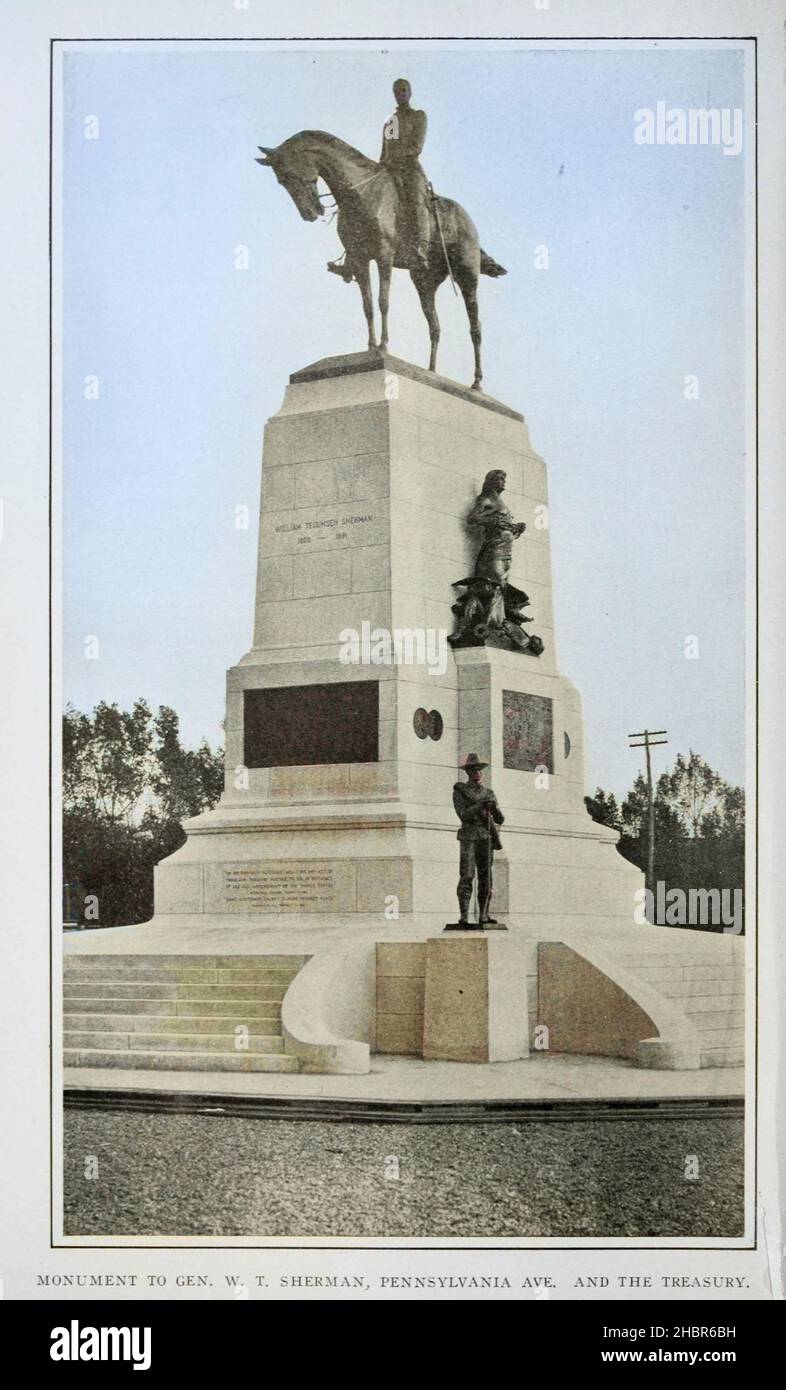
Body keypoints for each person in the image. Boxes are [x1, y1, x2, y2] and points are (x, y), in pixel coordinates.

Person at [380, 78, 431, 269]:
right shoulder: (391, 121)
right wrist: (381, 165)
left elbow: (416, 147)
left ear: (410, 92)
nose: (400, 94)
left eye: (403, 90)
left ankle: (421, 248)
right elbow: (385, 149)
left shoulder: (418, 116)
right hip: (389, 169)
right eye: (397, 91)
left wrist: (396, 159)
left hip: (410, 169)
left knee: (417, 200)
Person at [452, 753, 505, 926]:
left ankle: (484, 915)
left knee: (486, 878)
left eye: (479, 770)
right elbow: (463, 815)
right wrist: (478, 807)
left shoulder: (489, 793)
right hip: (469, 836)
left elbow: (500, 819)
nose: (477, 773)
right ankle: (464, 916)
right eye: (474, 770)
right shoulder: (460, 791)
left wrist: (493, 808)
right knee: (467, 875)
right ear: (468, 772)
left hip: (486, 837)